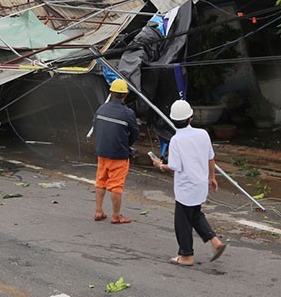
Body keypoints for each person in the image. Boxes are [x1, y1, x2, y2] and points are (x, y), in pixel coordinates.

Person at [150, 100, 227, 266]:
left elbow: (174, 167)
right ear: (190, 118)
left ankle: (186, 255)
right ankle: (215, 242)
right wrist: (212, 177)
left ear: (173, 120)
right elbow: (210, 158)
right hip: (200, 184)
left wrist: (160, 165)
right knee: (195, 215)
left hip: (185, 188)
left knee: (182, 221)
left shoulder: (176, 140)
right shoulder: (203, 134)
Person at [93, 78, 140, 224]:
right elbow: (135, 133)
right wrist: (126, 145)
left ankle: (99, 211)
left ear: (111, 93)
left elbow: (96, 127)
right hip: (119, 154)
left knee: (100, 181)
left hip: (102, 151)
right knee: (116, 185)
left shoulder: (101, 109)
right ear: (125, 95)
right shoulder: (128, 113)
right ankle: (116, 216)